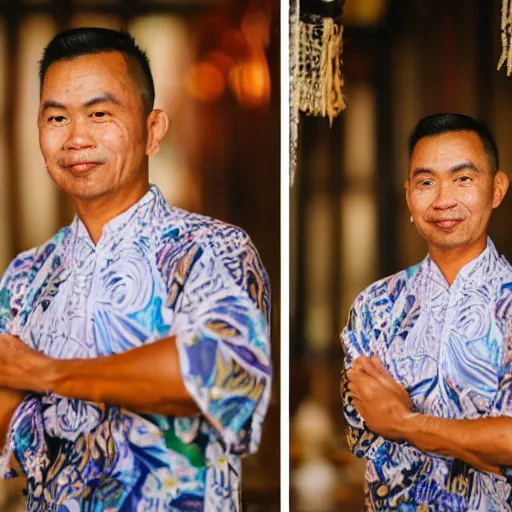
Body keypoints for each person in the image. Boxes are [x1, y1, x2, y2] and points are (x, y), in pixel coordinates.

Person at [0, 27, 271, 511]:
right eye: (57, 117)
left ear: (153, 129)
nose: (77, 137)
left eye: (100, 114)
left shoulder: (212, 249)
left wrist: (44, 372)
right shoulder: (26, 276)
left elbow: (213, 374)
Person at [340, 113, 512, 511]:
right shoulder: (374, 306)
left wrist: (405, 423)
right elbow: (367, 435)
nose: (442, 200)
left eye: (463, 179)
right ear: (408, 196)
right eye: (426, 182)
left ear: (497, 189)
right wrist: (478, 437)